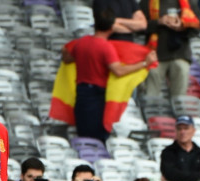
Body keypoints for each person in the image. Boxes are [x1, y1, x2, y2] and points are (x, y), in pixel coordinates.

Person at [61, 8, 157, 143]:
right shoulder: (105, 47)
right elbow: (118, 71)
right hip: (98, 95)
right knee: (97, 138)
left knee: (84, 135)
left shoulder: (81, 42)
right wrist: (144, 63)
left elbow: (67, 58)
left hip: (81, 92)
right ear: (112, 27)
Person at [142, 0, 200, 97]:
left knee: (179, 97)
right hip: (155, 54)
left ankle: (179, 111)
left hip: (180, 54)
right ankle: (151, 111)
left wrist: (182, 25)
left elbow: (198, 27)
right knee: (151, 95)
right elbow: (139, 27)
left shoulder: (189, 2)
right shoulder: (147, 2)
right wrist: (159, 22)